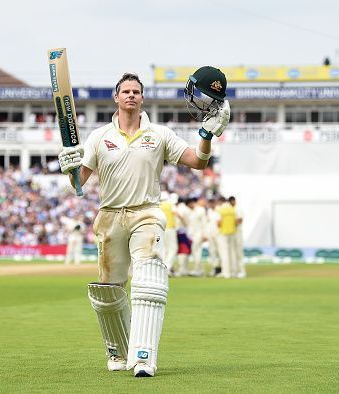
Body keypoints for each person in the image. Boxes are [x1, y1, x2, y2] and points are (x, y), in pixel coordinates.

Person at [57, 68, 230, 377]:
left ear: (142, 97)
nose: (131, 95)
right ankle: (118, 351)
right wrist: (69, 169)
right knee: (110, 290)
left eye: (136, 91)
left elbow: (198, 162)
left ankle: (143, 357)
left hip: (146, 213)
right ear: (116, 97)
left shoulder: (159, 134)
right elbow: (78, 186)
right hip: (109, 216)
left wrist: (205, 136)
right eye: (126, 91)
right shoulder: (99, 137)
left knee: (148, 274)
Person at [187, 196, 208, 276]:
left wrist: (204, 235)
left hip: (197, 235)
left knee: (197, 252)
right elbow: (202, 224)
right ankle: (198, 270)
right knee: (196, 252)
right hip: (195, 235)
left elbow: (203, 223)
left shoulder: (198, 210)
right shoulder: (196, 211)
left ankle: (198, 270)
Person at [159, 191, 179, 275]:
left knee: (163, 249)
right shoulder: (171, 205)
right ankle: (167, 267)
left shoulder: (158, 206)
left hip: (161, 229)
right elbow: (176, 214)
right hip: (170, 228)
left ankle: (162, 267)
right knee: (173, 249)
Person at [229, 196, 246, 278]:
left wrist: (230, 223)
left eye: (233, 201)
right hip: (230, 233)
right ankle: (234, 271)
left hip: (238, 233)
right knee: (232, 253)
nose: (232, 203)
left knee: (239, 253)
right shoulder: (229, 210)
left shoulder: (238, 209)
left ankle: (242, 271)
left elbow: (239, 220)